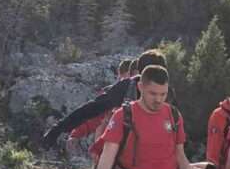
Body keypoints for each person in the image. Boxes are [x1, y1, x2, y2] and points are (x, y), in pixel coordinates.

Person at [41, 49, 170, 149]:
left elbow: (91, 109)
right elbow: (93, 110)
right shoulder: (129, 87)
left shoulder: (128, 87)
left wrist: (57, 130)